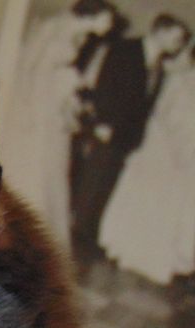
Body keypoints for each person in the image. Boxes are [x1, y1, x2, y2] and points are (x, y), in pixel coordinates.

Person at [69, 13, 191, 270]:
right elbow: (105, 85)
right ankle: (74, 241)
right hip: (108, 129)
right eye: (177, 38)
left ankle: (88, 238)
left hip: (128, 137)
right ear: (161, 30)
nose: (179, 44)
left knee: (105, 188)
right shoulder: (126, 49)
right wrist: (102, 122)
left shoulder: (159, 66)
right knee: (92, 184)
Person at [2, 0, 115, 245]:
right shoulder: (55, 29)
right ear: (95, 13)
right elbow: (33, 71)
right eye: (108, 19)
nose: (110, 25)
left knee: (54, 165)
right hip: (39, 107)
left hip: (52, 104)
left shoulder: (77, 34)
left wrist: (69, 96)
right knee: (38, 165)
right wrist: (31, 111)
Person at [99, 44, 195, 285]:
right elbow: (171, 121)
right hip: (163, 154)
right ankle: (130, 252)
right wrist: (186, 152)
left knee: (166, 207)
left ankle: (151, 257)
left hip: (178, 157)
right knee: (148, 201)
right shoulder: (182, 83)